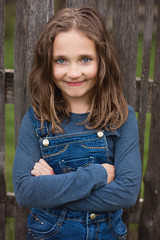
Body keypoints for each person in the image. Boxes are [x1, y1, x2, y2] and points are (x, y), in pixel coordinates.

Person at [13, 7, 142, 240]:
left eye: (85, 59)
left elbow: (126, 193)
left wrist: (52, 187)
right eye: (61, 60)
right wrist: (97, 175)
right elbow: (25, 192)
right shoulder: (37, 120)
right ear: (47, 64)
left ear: (101, 61)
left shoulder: (121, 118)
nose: (73, 72)